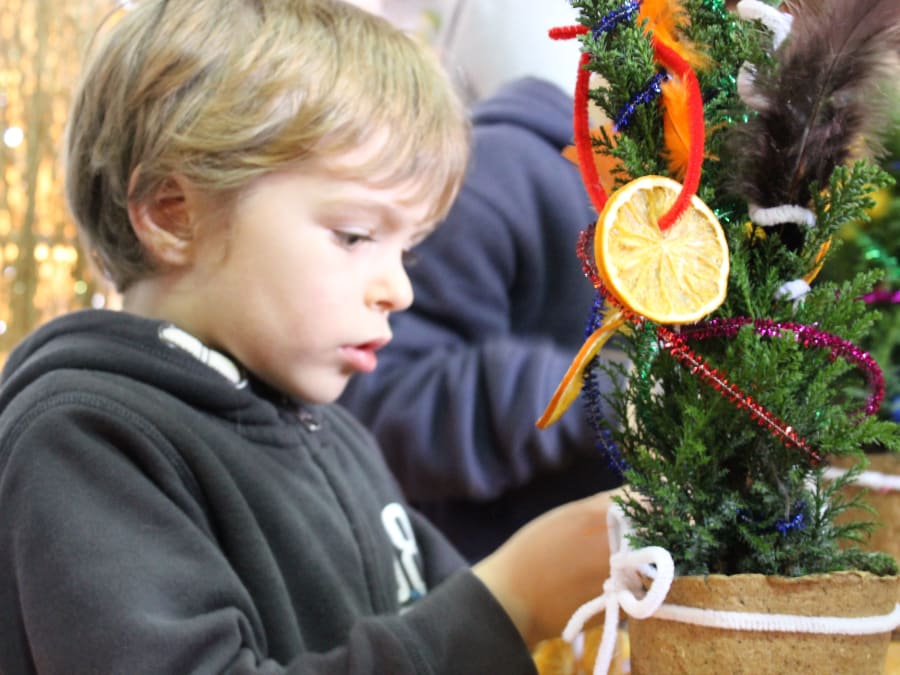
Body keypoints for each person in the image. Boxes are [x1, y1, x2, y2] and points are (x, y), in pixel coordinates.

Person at [0, 1, 618, 672]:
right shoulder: (89, 440)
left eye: (407, 250)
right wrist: (509, 600)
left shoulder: (340, 441)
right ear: (173, 213)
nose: (399, 290)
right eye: (354, 236)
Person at [339, 72, 627, 562]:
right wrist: (604, 395)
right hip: (466, 583)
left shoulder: (718, 231)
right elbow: (373, 406)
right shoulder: (500, 177)